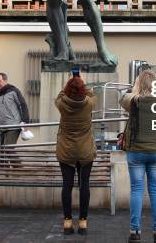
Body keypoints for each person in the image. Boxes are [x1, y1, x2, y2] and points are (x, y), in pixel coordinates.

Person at [120, 70, 156, 243]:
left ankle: (135, 230)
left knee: (136, 190)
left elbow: (123, 98)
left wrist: (135, 88)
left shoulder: (133, 101)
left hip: (136, 151)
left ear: (139, 84)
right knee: (155, 191)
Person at [55, 75, 97, 235]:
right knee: (84, 185)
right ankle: (83, 223)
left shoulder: (61, 104)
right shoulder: (89, 103)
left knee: (67, 185)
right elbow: (92, 95)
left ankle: (67, 223)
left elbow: (59, 95)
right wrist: (83, 86)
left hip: (66, 150)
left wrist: (69, 85)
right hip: (85, 151)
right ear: (82, 90)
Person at [0, 72, 30, 147]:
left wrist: (25, 122)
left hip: (13, 126)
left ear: (5, 80)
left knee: (9, 151)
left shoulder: (14, 91)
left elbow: (23, 105)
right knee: (0, 152)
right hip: (1, 128)